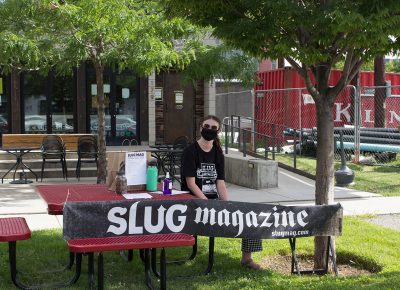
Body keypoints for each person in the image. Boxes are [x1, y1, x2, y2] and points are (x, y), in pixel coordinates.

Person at [181, 115, 262, 270]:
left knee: (250, 215)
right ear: (200, 128)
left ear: (218, 131)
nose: (209, 130)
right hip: (195, 203)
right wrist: (208, 203)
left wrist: (226, 205)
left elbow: (220, 183)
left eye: (213, 128)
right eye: (206, 126)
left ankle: (247, 258)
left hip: (214, 203)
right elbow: (191, 184)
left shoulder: (218, 153)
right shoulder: (190, 151)